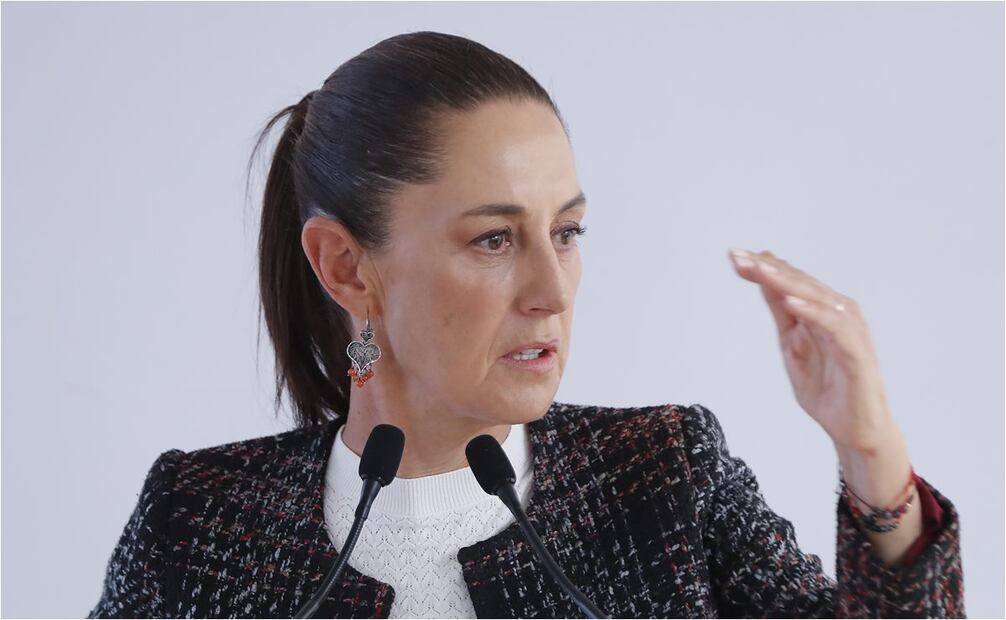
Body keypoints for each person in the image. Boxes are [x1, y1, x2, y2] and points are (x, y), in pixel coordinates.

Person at [86, 31, 964, 619]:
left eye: (568, 232)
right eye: (495, 238)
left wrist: (870, 454)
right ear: (347, 267)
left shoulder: (665, 479)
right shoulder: (198, 521)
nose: (553, 288)